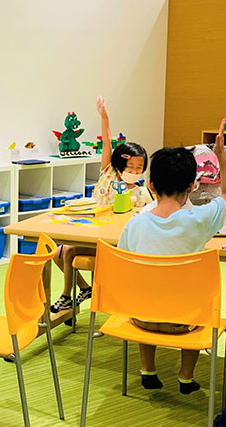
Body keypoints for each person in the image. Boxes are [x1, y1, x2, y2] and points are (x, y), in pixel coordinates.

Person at [117, 119, 226, 394]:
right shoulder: (200, 218)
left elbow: (124, 265)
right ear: (193, 185)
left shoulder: (135, 223)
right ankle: (185, 376)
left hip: (140, 317)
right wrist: (220, 155)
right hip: (185, 320)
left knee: (147, 287)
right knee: (198, 298)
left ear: (150, 184)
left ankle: (148, 370)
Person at [50, 96, 152, 315]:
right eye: (130, 166)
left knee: (68, 250)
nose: (134, 171)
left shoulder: (138, 192)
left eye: (139, 168)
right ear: (120, 163)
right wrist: (104, 116)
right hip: (91, 231)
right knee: (57, 252)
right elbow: (106, 141)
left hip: (112, 242)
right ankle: (84, 288)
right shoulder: (108, 172)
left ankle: (67, 296)